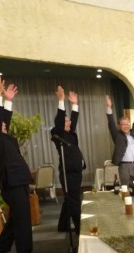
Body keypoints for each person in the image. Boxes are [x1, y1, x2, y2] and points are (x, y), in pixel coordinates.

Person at [0, 75, 42, 253]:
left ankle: (1, 246)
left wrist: (8, 101)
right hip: (11, 182)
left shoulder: (6, 137)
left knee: (17, 216)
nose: (4, 124)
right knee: (22, 218)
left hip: (20, 179)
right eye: (0, 123)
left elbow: (3, 120)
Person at [51, 85, 86, 234]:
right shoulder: (57, 133)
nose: (69, 123)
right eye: (66, 122)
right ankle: (79, 228)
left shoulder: (70, 134)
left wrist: (75, 105)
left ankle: (62, 225)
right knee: (74, 200)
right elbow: (60, 121)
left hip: (76, 171)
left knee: (69, 198)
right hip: (68, 173)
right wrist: (61, 100)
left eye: (68, 121)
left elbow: (74, 121)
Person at [105, 95, 134, 187]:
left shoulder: (133, 133)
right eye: (123, 124)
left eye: (127, 124)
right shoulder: (117, 135)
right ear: (119, 126)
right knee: (125, 188)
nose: (126, 126)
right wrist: (109, 107)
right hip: (124, 166)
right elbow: (111, 123)